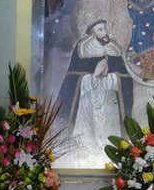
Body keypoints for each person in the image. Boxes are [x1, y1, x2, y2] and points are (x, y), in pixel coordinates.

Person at [57, 20, 133, 152]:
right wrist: (94, 76)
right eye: (100, 30)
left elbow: (125, 78)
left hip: (109, 102)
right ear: (92, 33)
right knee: (87, 142)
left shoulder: (114, 48)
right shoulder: (83, 49)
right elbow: (73, 78)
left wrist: (111, 77)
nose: (104, 32)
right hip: (88, 102)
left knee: (110, 137)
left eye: (105, 28)